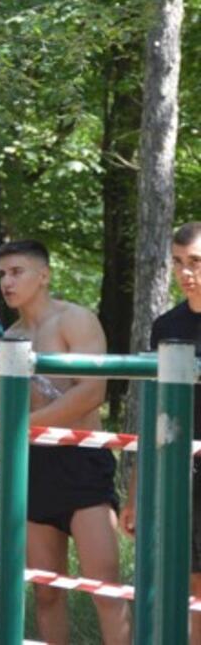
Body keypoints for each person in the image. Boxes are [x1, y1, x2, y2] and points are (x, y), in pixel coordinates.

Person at [0, 239, 130, 645]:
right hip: (33, 468)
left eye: (17, 272)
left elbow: (91, 392)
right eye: (2, 275)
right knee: (47, 593)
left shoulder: (75, 320)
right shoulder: (9, 336)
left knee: (105, 587)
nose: (7, 282)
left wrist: (23, 426)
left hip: (82, 464)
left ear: (43, 276)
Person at [120, 221, 201, 645]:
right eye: (178, 263)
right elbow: (154, 415)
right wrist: (135, 490)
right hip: (177, 472)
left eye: (196, 262)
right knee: (182, 588)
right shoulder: (166, 325)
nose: (186, 273)